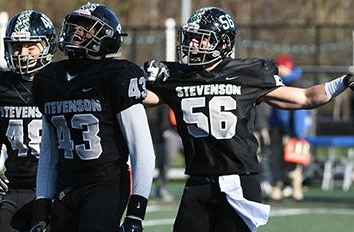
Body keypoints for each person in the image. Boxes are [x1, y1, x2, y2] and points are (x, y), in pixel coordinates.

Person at [143, 7, 354, 232]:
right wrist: (134, 77)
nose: (192, 44)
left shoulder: (246, 74)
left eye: (200, 39)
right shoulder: (178, 77)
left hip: (237, 181)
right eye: (191, 38)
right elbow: (140, 97)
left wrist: (343, 81)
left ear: (223, 43)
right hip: (198, 181)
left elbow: (305, 98)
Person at [29, 3, 155, 232]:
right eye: (75, 26)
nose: (77, 31)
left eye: (87, 27)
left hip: (105, 182)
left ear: (107, 35)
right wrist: (42, 204)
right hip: (66, 184)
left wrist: (137, 210)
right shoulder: (48, 79)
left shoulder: (118, 75)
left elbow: (142, 148)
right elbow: (49, 151)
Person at [0, 10, 56, 232]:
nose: (22, 53)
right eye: (17, 46)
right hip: (17, 186)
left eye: (31, 46)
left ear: (47, 46)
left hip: (57, 185)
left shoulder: (61, 82)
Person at [269, 54, 312, 201]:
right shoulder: (275, 81)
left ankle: (296, 190)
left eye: (280, 66)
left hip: (292, 131)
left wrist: (298, 133)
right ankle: (277, 189)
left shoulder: (295, 81)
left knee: (293, 161)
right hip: (277, 129)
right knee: (276, 160)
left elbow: (300, 110)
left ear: (287, 67)